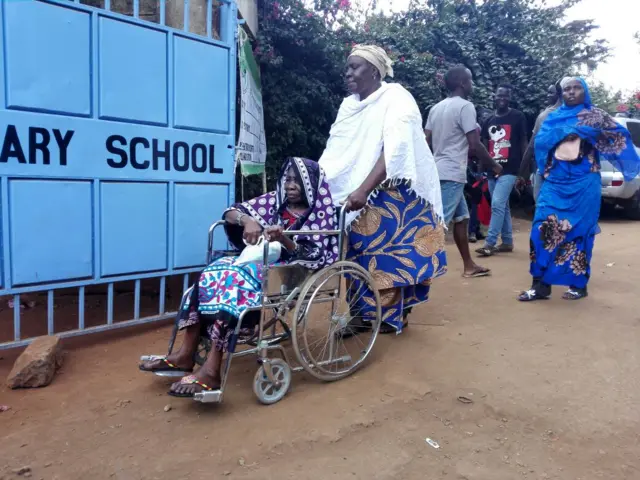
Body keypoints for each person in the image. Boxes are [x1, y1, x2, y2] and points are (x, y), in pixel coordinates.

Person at [140, 158, 339, 396]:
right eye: (288, 179)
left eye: (297, 180)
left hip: (288, 269)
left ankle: (212, 368)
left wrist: (284, 238)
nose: (290, 185)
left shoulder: (319, 213)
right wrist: (249, 220)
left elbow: (314, 255)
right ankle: (185, 352)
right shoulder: (275, 203)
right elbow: (232, 211)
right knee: (212, 272)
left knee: (234, 282)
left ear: (312, 183)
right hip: (255, 261)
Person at [319, 44, 447, 335]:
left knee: (390, 257)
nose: (348, 72)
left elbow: (396, 149)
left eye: (355, 66)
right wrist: (321, 185)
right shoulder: (348, 105)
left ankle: (391, 315)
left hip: (393, 192)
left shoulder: (396, 98)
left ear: (374, 71)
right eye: (348, 66)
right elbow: (337, 150)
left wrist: (364, 189)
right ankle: (360, 314)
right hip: (354, 193)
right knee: (355, 254)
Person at [518, 77, 640, 302]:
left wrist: (623, 161)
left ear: (584, 91)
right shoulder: (553, 117)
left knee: (579, 233)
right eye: (567, 89)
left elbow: (620, 138)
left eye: (576, 88)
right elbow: (541, 144)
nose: (571, 92)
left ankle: (578, 284)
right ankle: (540, 285)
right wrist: (543, 169)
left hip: (584, 183)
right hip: (555, 183)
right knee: (540, 230)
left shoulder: (596, 116)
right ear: (561, 93)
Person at [425, 66, 501, 277]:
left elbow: (425, 140)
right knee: (437, 225)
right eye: (470, 80)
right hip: (452, 173)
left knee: (462, 218)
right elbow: (474, 144)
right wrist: (494, 165)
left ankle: (469, 266)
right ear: (462, 84)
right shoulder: (466, 107)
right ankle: (413, 271)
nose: (472, 84)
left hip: (438, 169)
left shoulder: (436, 108)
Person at [476, 85, 528, 256]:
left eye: (505, 96)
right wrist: (481, 169)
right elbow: (483, 145)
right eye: (499, 96)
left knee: (497, 204)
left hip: (510, 168)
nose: (502, 99)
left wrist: (523, 169)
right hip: (491, 169)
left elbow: (523, 142)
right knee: (502, 206)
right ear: (495, 97)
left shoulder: (517, 117)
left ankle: (490, 243)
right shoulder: (489, 120)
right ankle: (507, 241)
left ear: (509, 97)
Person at [521, 80, 563, 201]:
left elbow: (531, 146)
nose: (547, 95)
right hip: (548, 168)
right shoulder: (547, 114)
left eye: (551, 93)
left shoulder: (547, 115)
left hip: (553, 170)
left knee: (542, 206)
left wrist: (520, 173)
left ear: (559, 94)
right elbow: (531, 146)